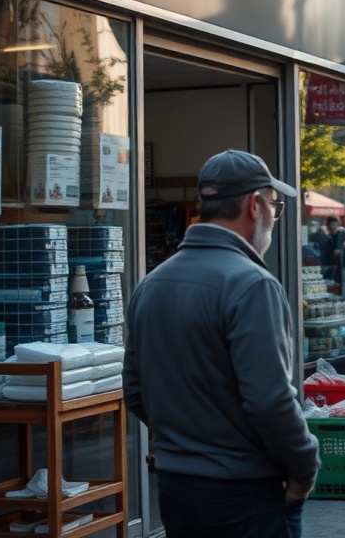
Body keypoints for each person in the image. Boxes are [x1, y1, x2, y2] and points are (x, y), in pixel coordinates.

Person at [124, 150, 320, 538]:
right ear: (254, 206)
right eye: (274, 206)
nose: (273, 217)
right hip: (244, 491)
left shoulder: (151, 284)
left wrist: (185, 441)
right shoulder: (253, 284)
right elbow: (270, 400)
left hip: (175, 488)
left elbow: (134, 390)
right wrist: (304, 467)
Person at [319, 216, 345, 285]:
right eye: (331, 224)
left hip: (341, 264)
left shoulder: (342, 232)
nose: (333, 226)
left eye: (334, 224)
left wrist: (341, 249)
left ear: (337, 224)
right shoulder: (329, 236)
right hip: (332, 265)